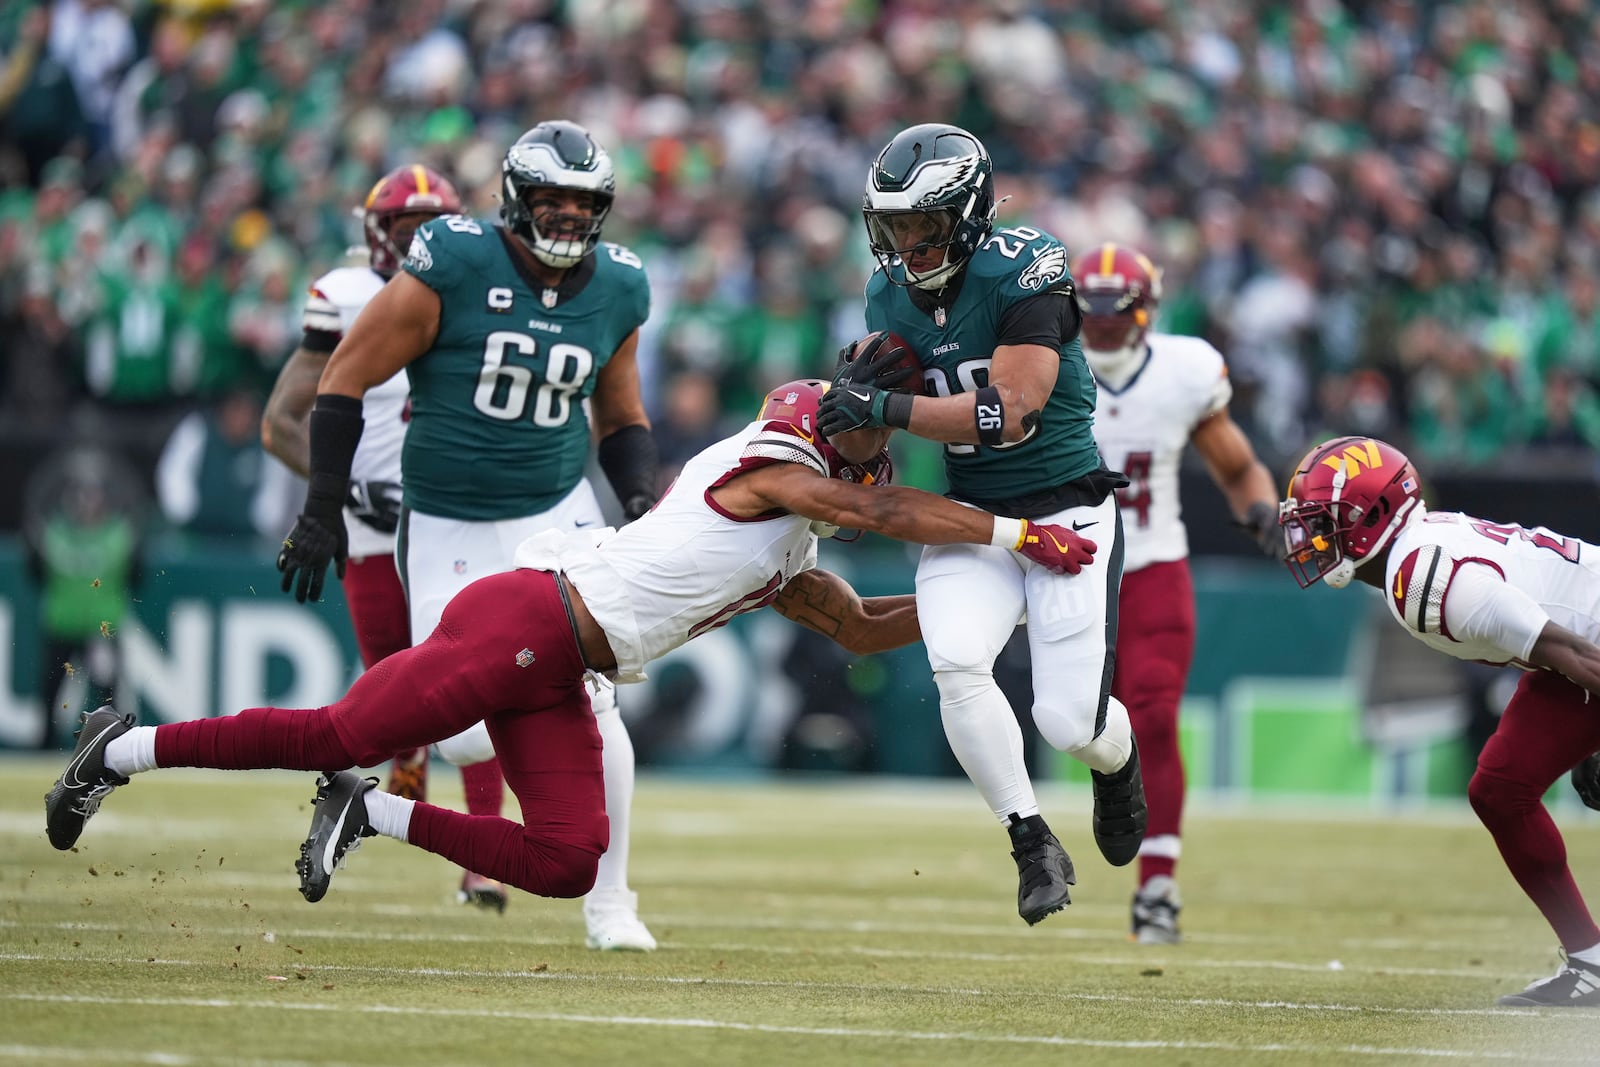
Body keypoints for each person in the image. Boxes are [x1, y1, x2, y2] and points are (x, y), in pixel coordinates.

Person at [45, 377, 1099, 922]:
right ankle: (118, 747)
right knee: (341, 726)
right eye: (861, 437)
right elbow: (856, 505)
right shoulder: (774, 466)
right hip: (526, 617)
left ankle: (371, 811)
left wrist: (988, 598)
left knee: (566, 861)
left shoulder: (794, 535)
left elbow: (864, 622)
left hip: (563, 662)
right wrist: (1008, 534)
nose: (866, 452)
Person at [272, 120, 663, 948]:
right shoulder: (453, 257)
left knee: (601, 707)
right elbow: (345, 377)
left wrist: (639, 500)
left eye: (582, 203)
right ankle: (372, 807)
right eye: (550, 201)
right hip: (449, 517)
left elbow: (621, 411)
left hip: (560, 515)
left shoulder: (621, 284)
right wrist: (321, 505)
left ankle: (612, 902)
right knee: (459, 731)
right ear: (516, 201)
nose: (565, 217)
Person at [816, 123, 1145, 927]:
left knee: (1069, 722)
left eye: (924, 224)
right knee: (957, 659)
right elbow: (867, 435)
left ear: (965, 214)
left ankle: (1118, 760)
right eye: (894, 226)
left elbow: (1011, 411)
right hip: (974, 517)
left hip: (1069, 505)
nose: (909, 242)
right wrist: (854, 421)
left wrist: (885, 404)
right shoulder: (886, 293)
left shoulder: (1024, 265)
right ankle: (1029, 838)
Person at [1277, 434, 1600, 1007]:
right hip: (1578, 651)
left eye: (1324, 522)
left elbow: (1575, 653)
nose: (1310, 537)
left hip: (1587, 649)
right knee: (1502, 789)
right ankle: (1592, 963)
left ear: (1370, 519)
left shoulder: (1425, 579)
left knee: (1503, 789)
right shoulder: (1419, 552)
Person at [1070, 243, 1284, 944]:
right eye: (1090, 314)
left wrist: (1263, 513)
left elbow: (1238, 462)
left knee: (1156, 714)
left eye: (1114, 314)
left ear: (1146, 310)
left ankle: (1157, 886)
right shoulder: (1044, 365)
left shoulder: (1184, 370)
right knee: (1073, 722)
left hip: (1154, 563)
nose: (1100, 329)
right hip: (1069, 566)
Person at [262, 163, 463, 807]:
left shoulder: (477, 293)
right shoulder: (349, 294)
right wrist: (342, 496)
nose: (422, 240)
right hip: (377, 524)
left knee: (471, 677)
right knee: (391, 684)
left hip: (457, 516)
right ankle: (406, 803)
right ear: (380, 232)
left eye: (436, 226)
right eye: (410, 227)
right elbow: (280, 423)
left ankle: (476, 862)